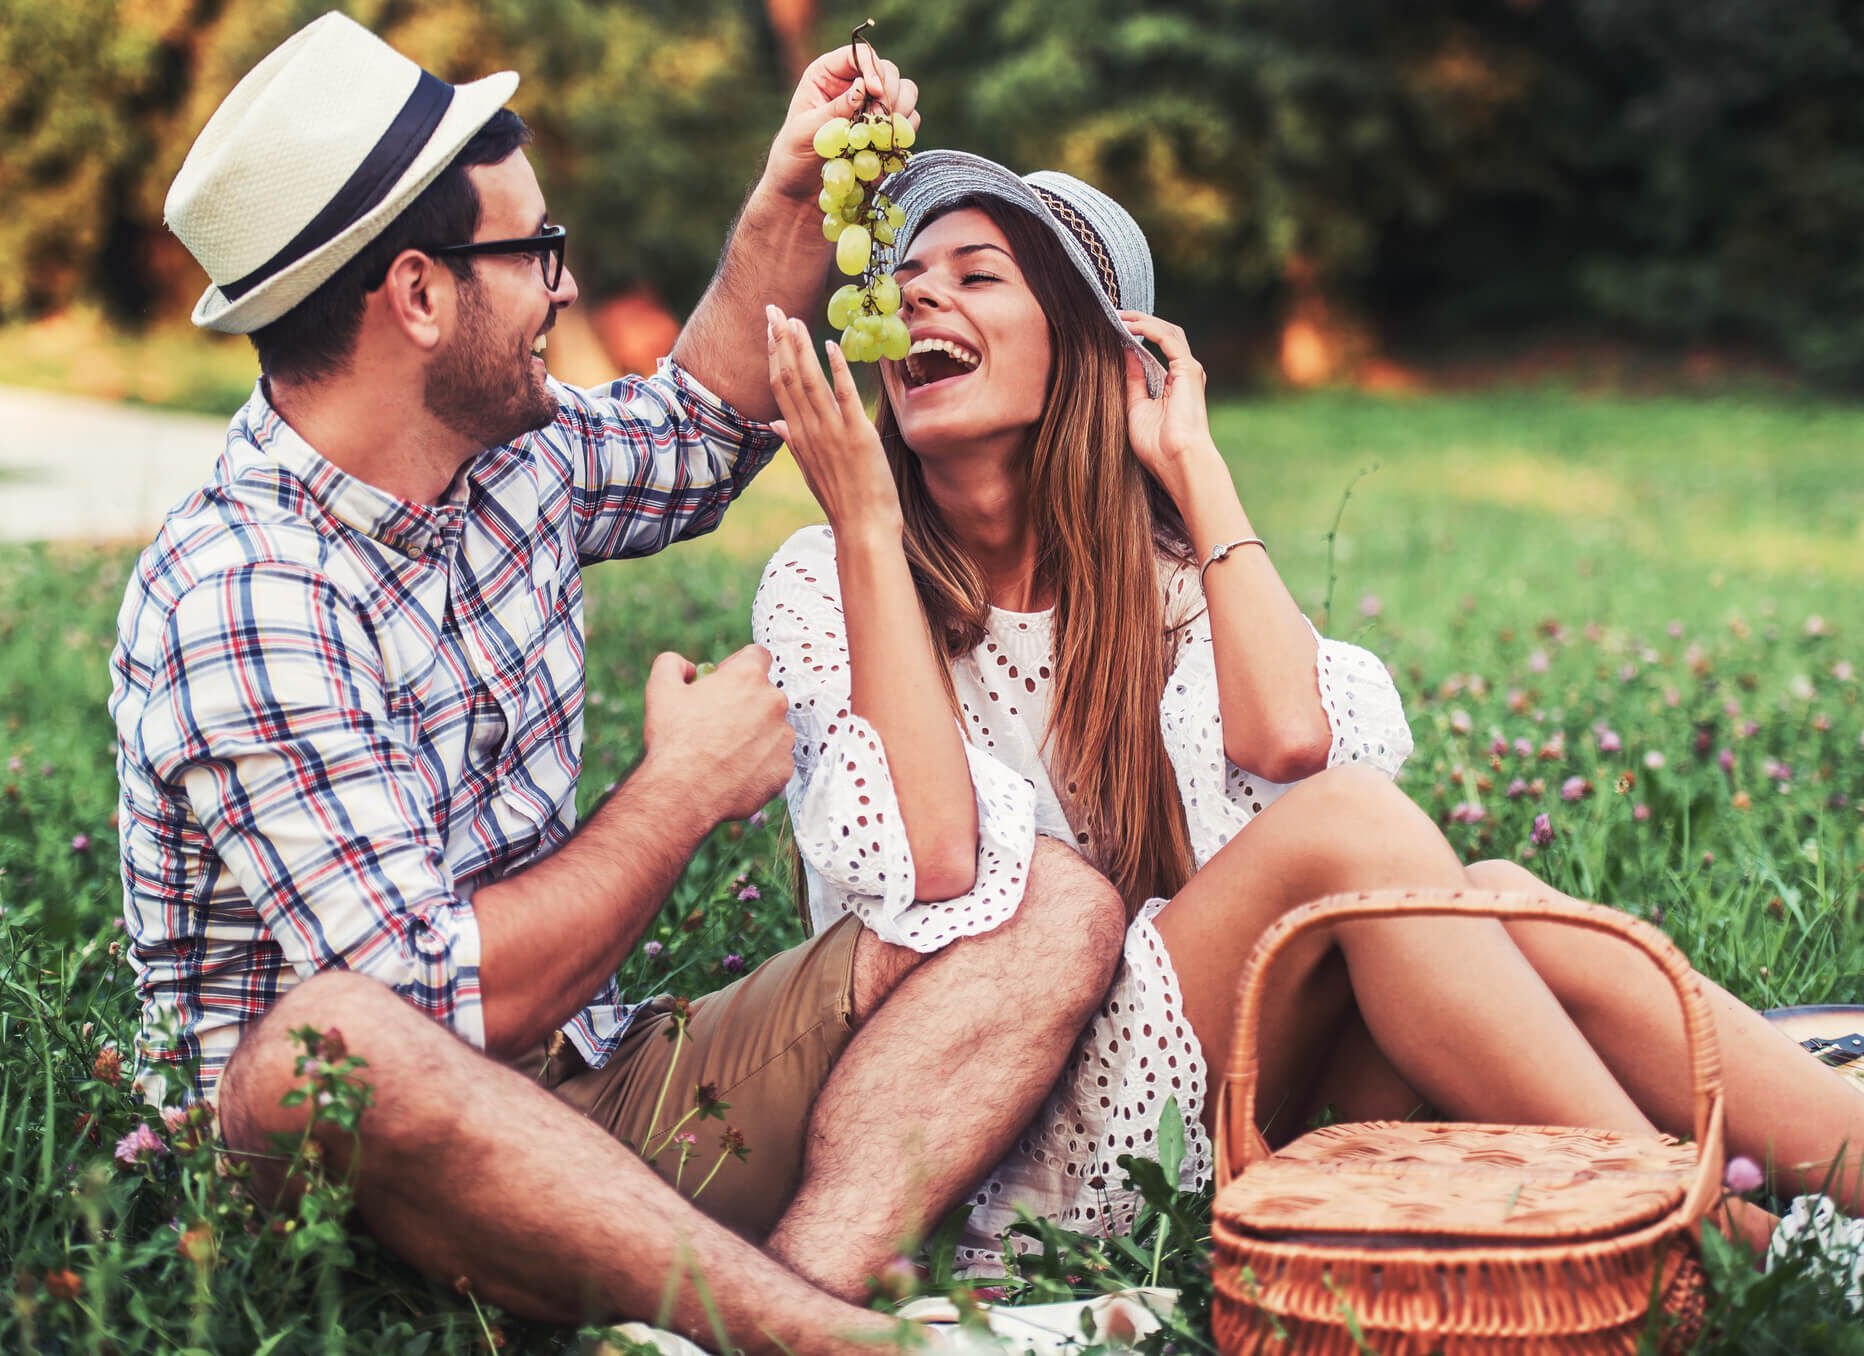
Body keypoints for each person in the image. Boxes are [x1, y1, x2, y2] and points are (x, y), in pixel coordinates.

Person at [109, 19, 1131, 1351]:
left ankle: (773, 1291)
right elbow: (432, 1008)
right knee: (338, 1040)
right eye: (532, 253)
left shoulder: (503, 455)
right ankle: (829, 1342)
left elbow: (705, 425)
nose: (563, 286)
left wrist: (788, 186)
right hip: (361, 1170)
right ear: (416, 296)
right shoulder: (243, 592)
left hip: (599, 1089)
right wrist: (685, 789)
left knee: (1047, 904)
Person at [752, 149, 1864, 1270]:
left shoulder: (1160, 584)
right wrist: (864, 524)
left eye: (977, 275)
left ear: (1095, 355)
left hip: (1218, 1075)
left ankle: (1827, 1192)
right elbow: (935, 859)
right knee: (1360, 833)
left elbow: (1291, 738)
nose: (914, 295)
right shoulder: (827, 575)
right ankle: (1704, 1238)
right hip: (1002, 1137)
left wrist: (1190, 459)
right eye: (908, 276)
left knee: (1498, 895)